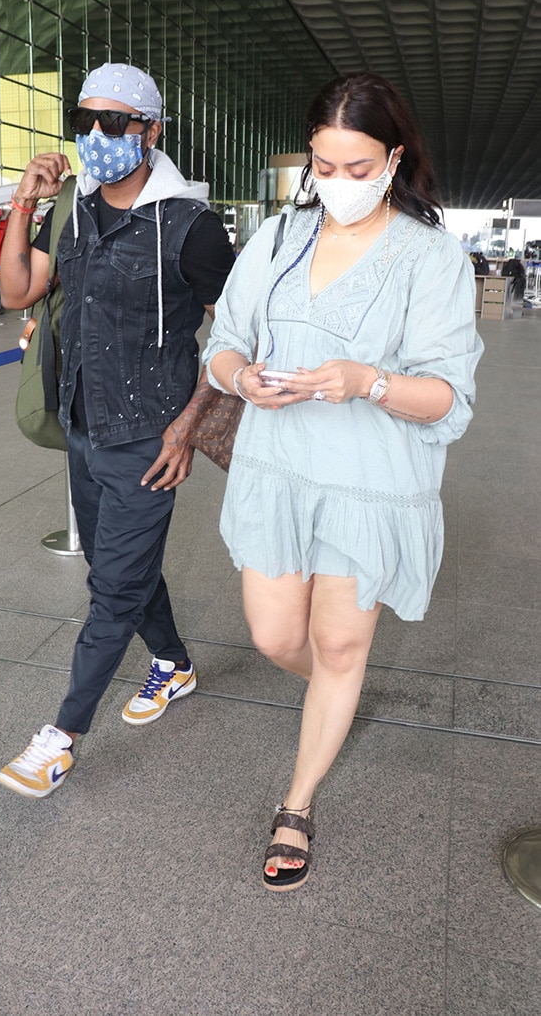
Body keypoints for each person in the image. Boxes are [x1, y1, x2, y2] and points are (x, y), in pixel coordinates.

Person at [203, 72, 484, 892]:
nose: (338, 184)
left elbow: (447, 398)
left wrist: (369, 381)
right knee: (274, 636)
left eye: (358, 167)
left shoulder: (432, 258)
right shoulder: (282, 237)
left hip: (370, 481)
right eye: (323, 166)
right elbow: (223, 340)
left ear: (395, 159)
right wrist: (240, 377)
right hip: (280, 471)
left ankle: (298, 801)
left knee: (337, 641)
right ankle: (339, 692)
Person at [0, 63, 235, 798]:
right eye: (86, 120)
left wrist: (188, 426)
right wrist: (22, 202)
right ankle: (174, 665)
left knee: (110, 592)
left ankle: (61, 736)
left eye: (114, 122)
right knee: (120, 571)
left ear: (150, 131)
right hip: (83, 426)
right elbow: (16, 292)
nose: (95, 136)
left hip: (148, 438)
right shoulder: (72, 206)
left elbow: (242, 336)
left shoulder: (190, 225)